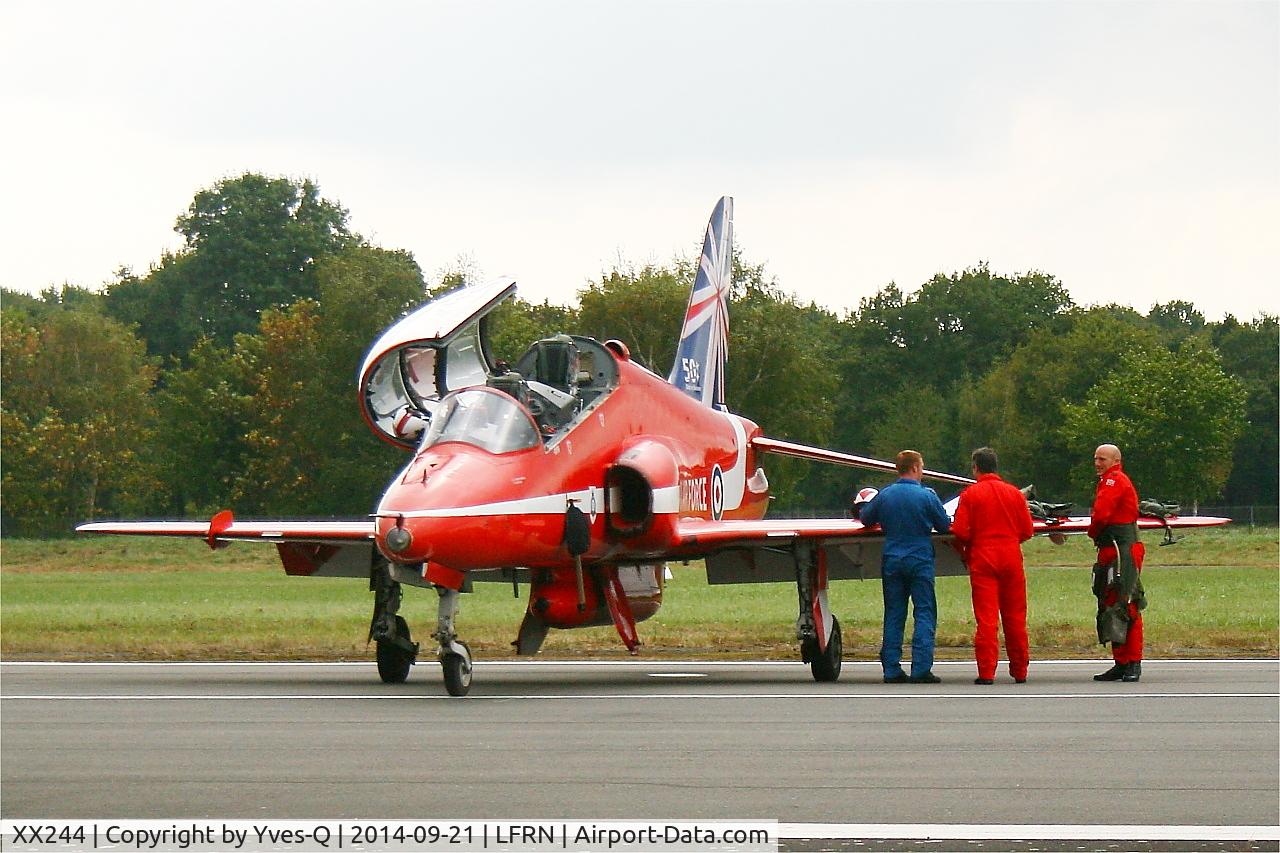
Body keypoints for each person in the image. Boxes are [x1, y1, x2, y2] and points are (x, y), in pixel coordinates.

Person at [859, 450, 952, 684]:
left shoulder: (886, 495)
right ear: (914, 468)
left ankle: (891, 668)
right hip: (920, 558)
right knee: (924, 611)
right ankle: (921, 667)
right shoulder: (926, 496)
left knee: (894, 612)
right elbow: (943, 525)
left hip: (892, 558)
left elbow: (866, 518)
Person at [951, 447, 1035, 685]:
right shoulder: (1014, 494)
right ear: (995, 466)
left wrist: (965, 550)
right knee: (1016, 617)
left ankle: (986, 672)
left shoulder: (970, 495)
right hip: (1010, 556)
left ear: (975, 468)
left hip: (983, 557)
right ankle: (1020, 670)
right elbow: (1027, 531)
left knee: (987, 619)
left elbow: (960, 531)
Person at [1088, 443, 1146, 683]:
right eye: (1096, 459)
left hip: (1122, 551)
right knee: (1110, 603)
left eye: (1102, 459)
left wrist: (1092, 532)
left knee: (1126, 604)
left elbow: (1101, 514)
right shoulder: (1108, 480)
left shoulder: (1114, 481)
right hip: (1111, 550)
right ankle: (1121, 662)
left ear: (1115, 460)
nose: (1098, 463)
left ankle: (1133, 662)